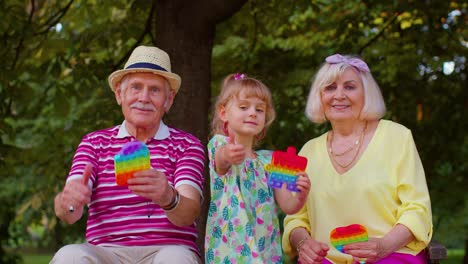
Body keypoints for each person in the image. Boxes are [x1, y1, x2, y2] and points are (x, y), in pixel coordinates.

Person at [51, 46, 206, 264]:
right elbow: (68, 213)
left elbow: (190, 212)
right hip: (107, 252)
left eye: (154, 90)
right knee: (70, 255)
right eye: (135, 87)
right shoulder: (94, 142)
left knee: (176, 259)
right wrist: (67, 201)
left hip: (166, 250)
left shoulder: (187, 145)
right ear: (119, 94)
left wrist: (168, 197)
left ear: (168, 100)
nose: (143, 97)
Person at [282, 54, 433, 264]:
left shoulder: (397, 137)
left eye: (350, 87)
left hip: (392, 256)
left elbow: (417, 209)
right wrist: (304, 245)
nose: (339, 95)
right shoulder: (308, 151)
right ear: (320, 96)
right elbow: (295, 218)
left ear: (366, 94)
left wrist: (383, 246)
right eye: (330, 88)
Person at [204, 73, 311, 264]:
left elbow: (288, 206)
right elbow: (221, 161)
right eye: (244, 107)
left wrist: (301, 195)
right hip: (230, 251)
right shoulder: (218, 145)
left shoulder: (271, 161)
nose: (253, 113)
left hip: (266, 252)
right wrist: (229, 154)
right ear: (223, 113)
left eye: (260, 110)